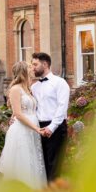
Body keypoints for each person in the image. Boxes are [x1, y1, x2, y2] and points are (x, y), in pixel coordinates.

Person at [0, 61, 47, 190]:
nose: (33, 69)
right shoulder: (15, 89)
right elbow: (18, 114)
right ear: (24, 72)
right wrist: (36, 128)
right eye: (30, 67)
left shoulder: (29, 88)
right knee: (22, 162)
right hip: (21, 130)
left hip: (31, 130)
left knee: (33, 161)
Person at [30, 52, 70, 180]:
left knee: (55, 165)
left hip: (56, 128)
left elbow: (62, 107)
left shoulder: (60, 83)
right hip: (39, 128)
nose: (33, 67)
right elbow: (33, 108)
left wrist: (51, 128)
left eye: (35, 64)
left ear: (45, 64)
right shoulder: (34, 87)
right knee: (42, 166)